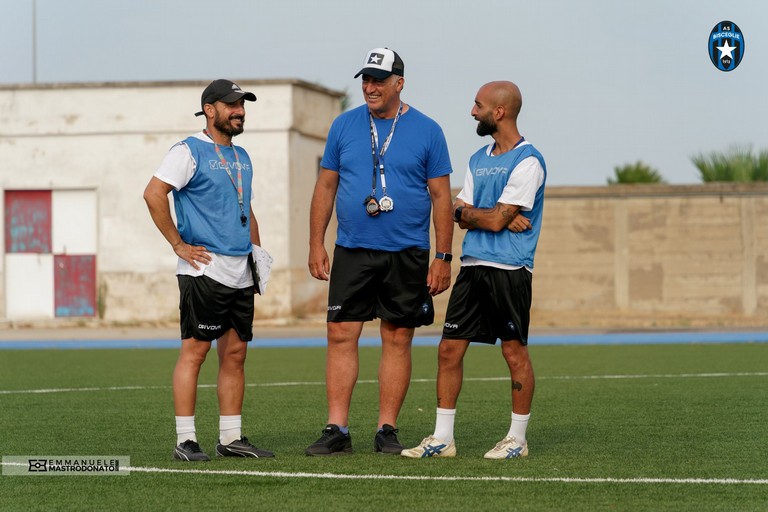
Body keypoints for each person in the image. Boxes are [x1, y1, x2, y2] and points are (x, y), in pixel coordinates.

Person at [305, 48, 454, 456]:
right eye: (365, 79)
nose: (370, 87)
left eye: (378, 80)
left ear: (399, 83)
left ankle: (387, 429)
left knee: (398, 336)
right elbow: (326, 187)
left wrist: (443, 257)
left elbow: (441, 197)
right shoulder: (343, 125)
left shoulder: (428, 130)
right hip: (352, 248)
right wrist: (316, 242)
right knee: (340, 333)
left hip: (406, 250)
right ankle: (337, 428)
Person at [401, 81, 546, 460]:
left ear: (499, 112)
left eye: (478, 105)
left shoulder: (528, 160)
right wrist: (487, 213)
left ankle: (517, 439)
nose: (472, 112)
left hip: (510, 270)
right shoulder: (478, 158)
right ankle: (442, 439)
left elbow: (494, 219)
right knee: (448, 350)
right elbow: (458, 208)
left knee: (514, 353)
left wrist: (484, 214)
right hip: (473, 267)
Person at [143, 79, 274, 461]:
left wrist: (258, 255)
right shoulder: (188, 151)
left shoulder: (242, 155)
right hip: (205, 271)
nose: (240, 111)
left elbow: (245, 207)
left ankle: (230, 438)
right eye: (232, 105)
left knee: (235, 356)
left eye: (243, 105)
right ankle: (185, 440)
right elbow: (153, 194)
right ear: (210, 109)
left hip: (240, 270)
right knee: (195, 354)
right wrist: (178, 245)